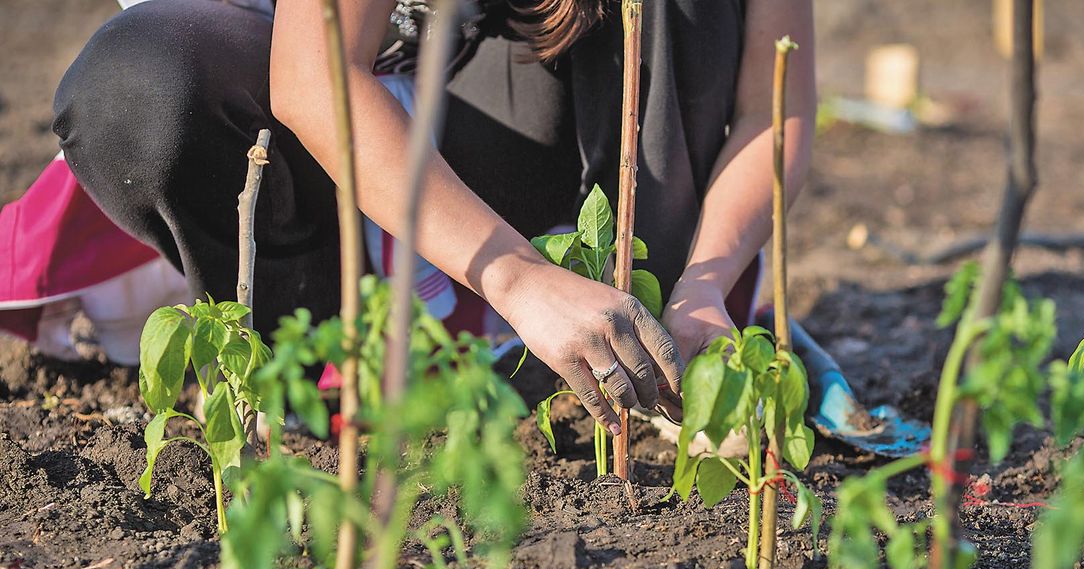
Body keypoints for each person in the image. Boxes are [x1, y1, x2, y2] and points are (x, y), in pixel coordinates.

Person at [44, 0, 816, 435]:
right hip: (301, 142)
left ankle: (601, 326)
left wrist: (705, 281)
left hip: (502, 108)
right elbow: (315, 79)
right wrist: (518, 277)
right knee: (138, 86)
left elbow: (772, 107)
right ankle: (305, 366)